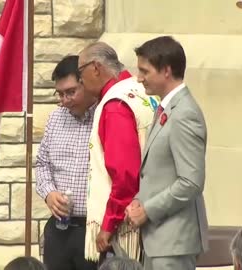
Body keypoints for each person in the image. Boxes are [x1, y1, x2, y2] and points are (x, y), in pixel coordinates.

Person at [125, 36, 209, 270]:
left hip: (174, 242)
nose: (139, 78)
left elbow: (191, 181)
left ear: (166, 71)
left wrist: (148, 210)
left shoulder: (184, 113)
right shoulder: (167, 107)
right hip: (159, 240)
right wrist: (138, 202)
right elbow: (159, 173)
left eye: (144, 71)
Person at [78, 42, 157, 261]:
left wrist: (109, 223)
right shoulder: (142, 89)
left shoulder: (116, 105)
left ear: (96, 68)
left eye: (80, 71)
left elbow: (124, 175)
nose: (80, 80)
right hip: (150, 214)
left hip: (125, 230)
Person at [35, 55, 98, 270]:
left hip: (93, 230)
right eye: (60, 94)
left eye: (71, 92)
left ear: (86, 83)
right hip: (59, 230)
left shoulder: (105, 116)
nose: (65, 100)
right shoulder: (55, 118)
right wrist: (49, 193)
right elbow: (42, 164)